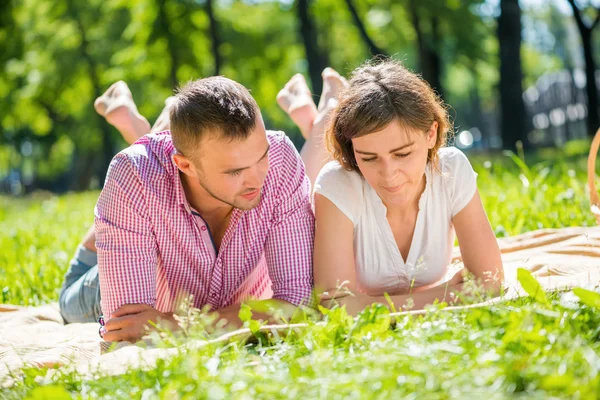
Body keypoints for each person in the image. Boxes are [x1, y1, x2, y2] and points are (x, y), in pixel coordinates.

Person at [58, 71, 345, 343]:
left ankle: (146, 130)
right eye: (234, 171)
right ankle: (147, 137)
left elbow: (296, 305)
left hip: (202, 277)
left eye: (262, 156)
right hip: (113, 273)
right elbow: (129, 331)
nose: (258, 179)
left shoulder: (281, 156)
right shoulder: (133, 174)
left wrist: (171, 323)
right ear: (184, 165)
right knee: (68, 306)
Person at [311, 59, 504, 315]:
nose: (389, 175)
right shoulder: (337, 183)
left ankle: (327, 103)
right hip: (323, 172)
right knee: (310, 159)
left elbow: (490, 281)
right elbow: (334, 305)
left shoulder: (451, 170)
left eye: (402, 154)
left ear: (431, 134)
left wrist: (366, 305)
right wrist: (446, 294)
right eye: (369, 158)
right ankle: (324, 108)